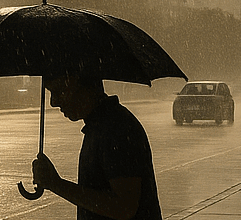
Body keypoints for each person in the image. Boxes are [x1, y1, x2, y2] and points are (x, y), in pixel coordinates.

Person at [31, 72, 162, 220]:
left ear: (78, 85)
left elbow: (124, 207)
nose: (53, 102)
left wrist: (56, 184)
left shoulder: (115, 129)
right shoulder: (102, 125)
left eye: (59, 91)